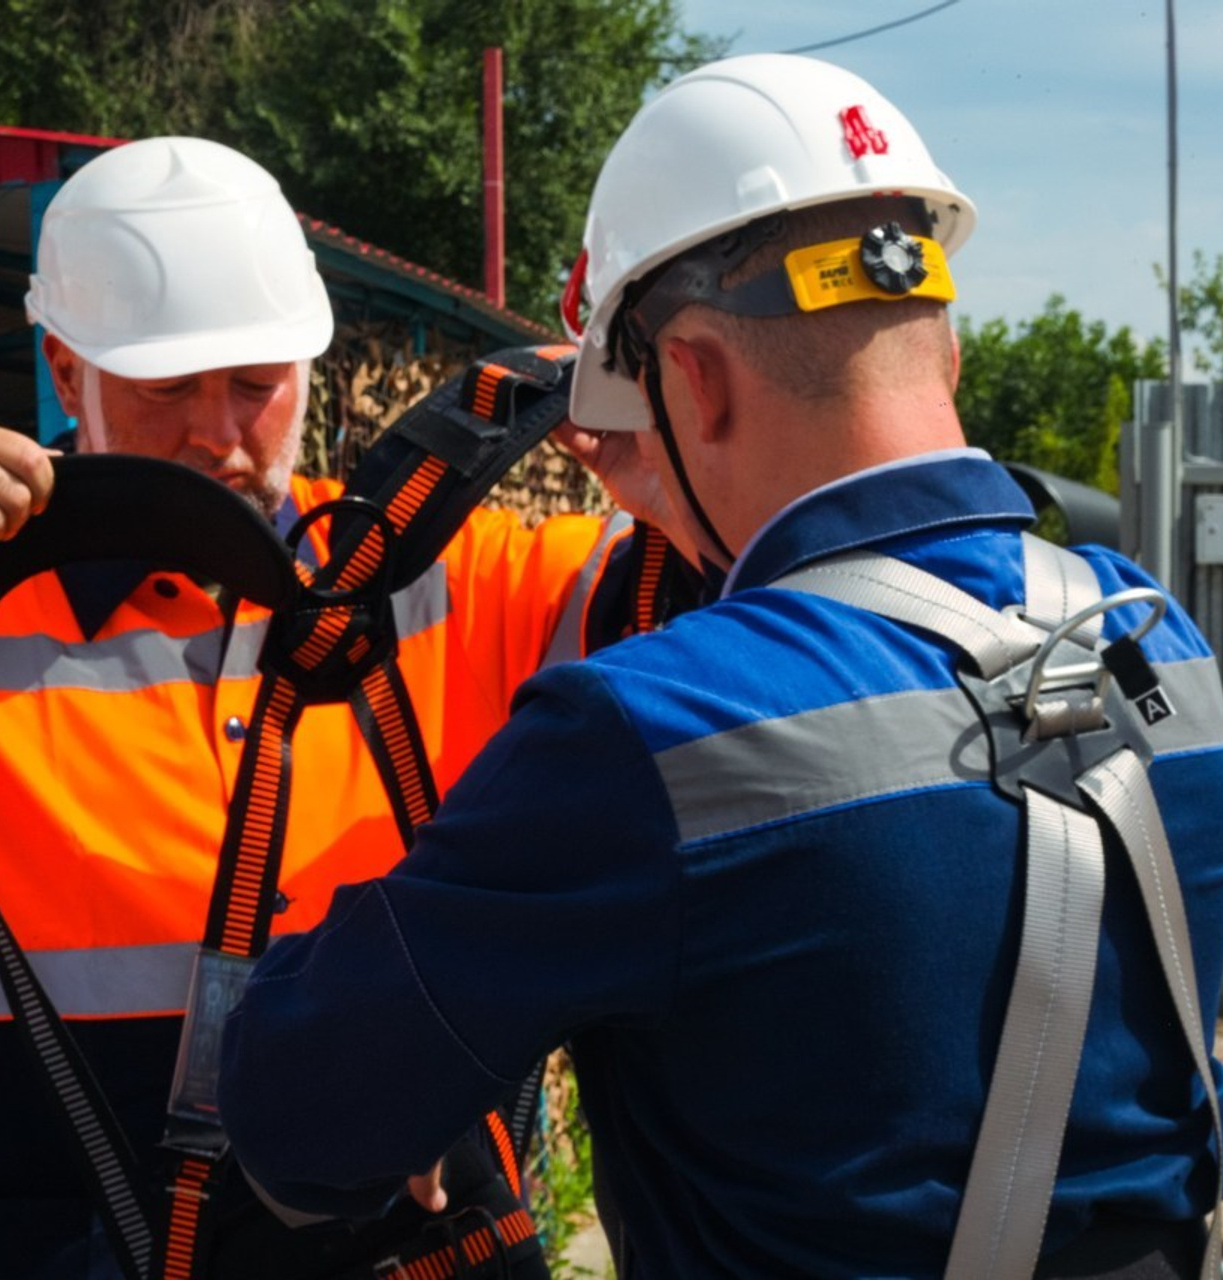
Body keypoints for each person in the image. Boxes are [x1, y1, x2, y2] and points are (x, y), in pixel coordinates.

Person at [218, 53, 1223, 1279]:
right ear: (944, 349)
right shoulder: (1160, 644)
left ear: (686, 377)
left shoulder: (648, 732)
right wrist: (686, 500)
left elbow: (299, 1115)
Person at [0, 135, 664, 1279]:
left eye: (257, 384)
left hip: (393, 1233)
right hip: (52, 1222)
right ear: (64, 368)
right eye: (166, 386)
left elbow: (710, 591)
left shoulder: (418, 571)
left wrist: (660, 451)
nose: (218, 434)